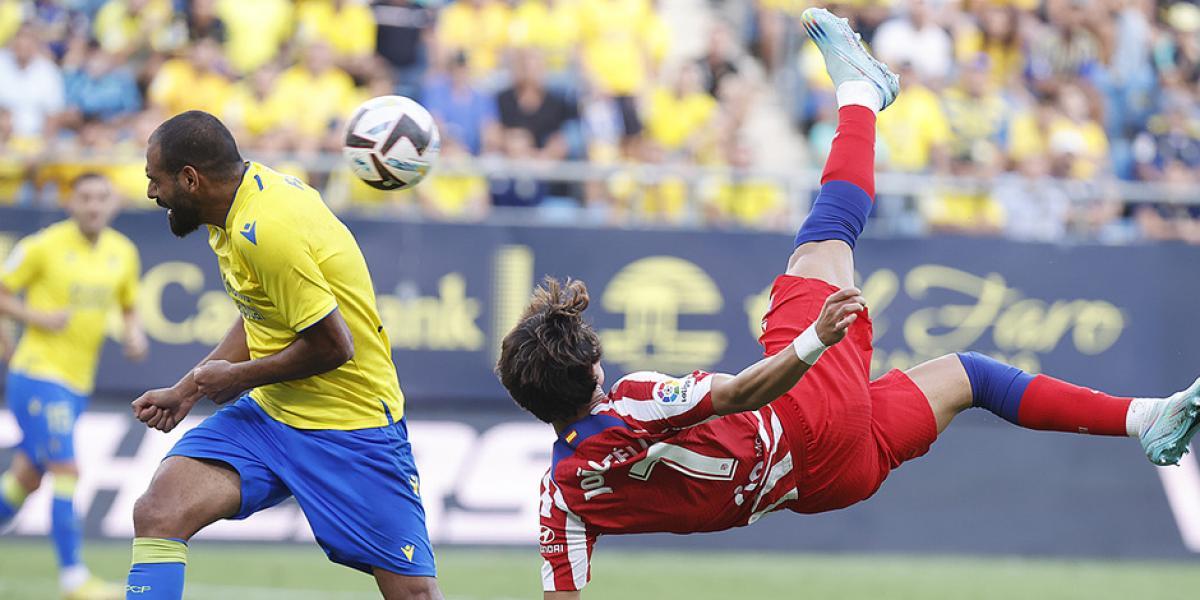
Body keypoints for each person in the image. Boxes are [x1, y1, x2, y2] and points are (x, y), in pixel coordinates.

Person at [493, 10, 1200, 598]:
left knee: (970, 376)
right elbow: (739, 393)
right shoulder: (634, 403)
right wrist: (813, 343)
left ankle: (1147, 418)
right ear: (591, 374)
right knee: (821, 243)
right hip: (802, 413)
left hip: (826, 484)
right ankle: (861, 93)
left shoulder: (559, 503)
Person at [127, 111, 442, 600]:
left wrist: (237, 379)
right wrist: (186, 390)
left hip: (349, 427)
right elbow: (261, 313)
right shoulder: (231, 210)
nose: (151, 193)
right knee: (159, 510)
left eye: (156, 180)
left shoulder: (267, 227)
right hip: (270, 419)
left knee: (413, 593)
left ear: (191, 178)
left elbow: (335, 346)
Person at [0, 172, 148, 600]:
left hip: (78, 382)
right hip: (38, 375)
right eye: (85, 197)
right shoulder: (43, 246)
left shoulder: (123, 253)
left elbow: (128, 307)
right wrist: (37, 318)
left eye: (102, 198)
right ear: (71, 202)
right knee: (67, 470)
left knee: (25, 479)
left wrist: (133, 333)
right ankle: (73, 579)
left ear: (113, 204)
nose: (93, 206)